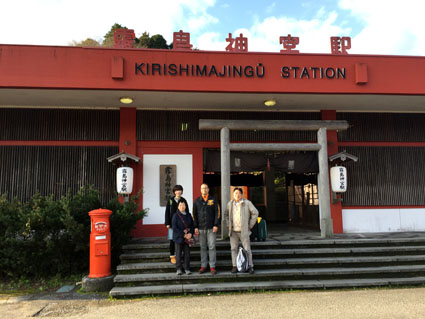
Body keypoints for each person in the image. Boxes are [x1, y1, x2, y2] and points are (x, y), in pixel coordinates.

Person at [225, 187, 259, 274]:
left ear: (242, 194)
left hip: (244, 231)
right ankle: (235, 266)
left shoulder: (247, 203)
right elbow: (226, 214)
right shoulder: (230, 204)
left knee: (247, 249)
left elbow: (255, 212)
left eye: (239, 193)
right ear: (233, 195)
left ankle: (250, 266)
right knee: (234, 249)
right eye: (235, 193)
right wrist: (228, 224)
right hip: (233, 231)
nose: (237, 195)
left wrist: (250, 225)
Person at [193, 183, 220, 275]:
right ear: (200, 190)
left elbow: (217, 212)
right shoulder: (197, 201)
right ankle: (203, 266)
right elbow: (194, 215)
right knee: (203, 247)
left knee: (212, 246)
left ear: (208, 189)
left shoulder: (213, 200)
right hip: (200, 228)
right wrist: (195, 226)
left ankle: (212, 266)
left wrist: (216, 224)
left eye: (206, 188)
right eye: (202, 188)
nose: (204, 190)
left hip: (211, 228)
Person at [164, 185, 189, 264]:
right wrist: (167, 223)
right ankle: (172, 256)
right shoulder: (170, 200)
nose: (178, 192)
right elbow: (167, 212)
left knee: (181, 240)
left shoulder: (183, 200)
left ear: (181, 191)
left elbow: (187, 212)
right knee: (172, 240)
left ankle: (180, 256)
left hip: (181, 225)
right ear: (174, 192)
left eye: (180, 190)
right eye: (177, 190)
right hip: (172, 224)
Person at [171, 201, 194, 275]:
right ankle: (179, 269)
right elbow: (174, 228)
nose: (182, 206)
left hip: (187, 238)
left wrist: (190, 233)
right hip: (178, 238)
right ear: (178, 207)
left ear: (186, 206)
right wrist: (183, 235)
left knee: (187, 253)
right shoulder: (175, 215)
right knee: (178, 254)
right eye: (180, 205)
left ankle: (187, 268)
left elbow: (192, 226)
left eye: (183, 205)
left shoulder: (189, 215)